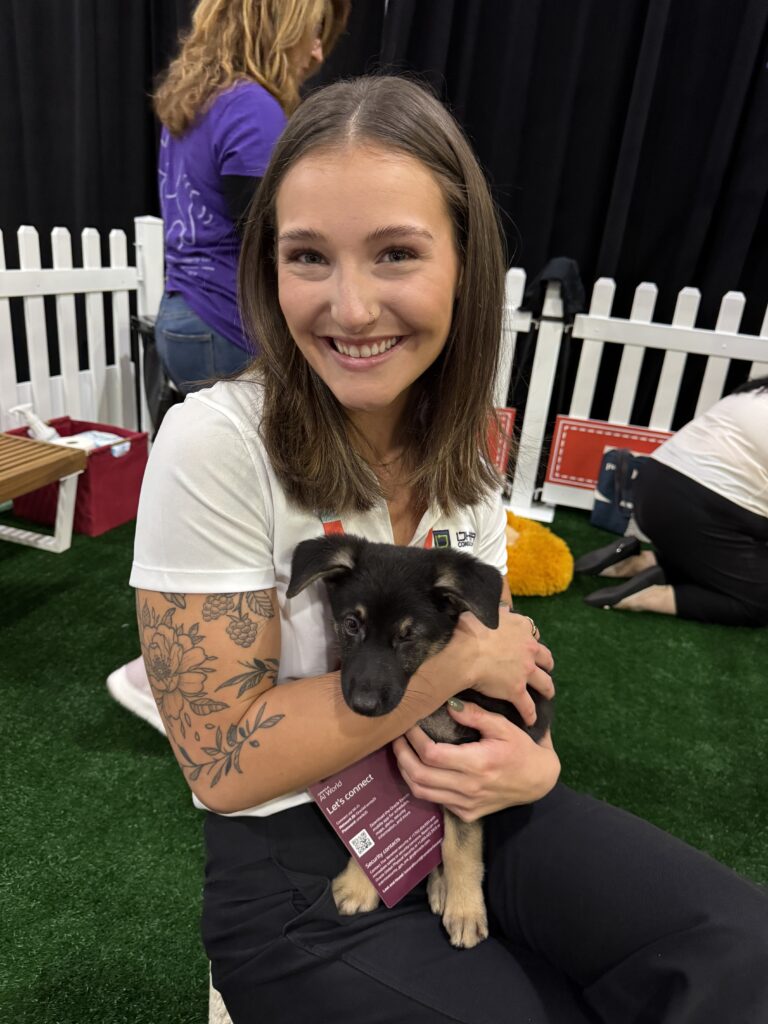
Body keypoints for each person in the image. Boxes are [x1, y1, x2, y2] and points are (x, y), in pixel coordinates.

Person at [129, 77, 768, 1023]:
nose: (350, 307)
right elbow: (223, 762)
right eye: (307, 256)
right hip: (294, 851)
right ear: (268, 268)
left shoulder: (465, 457)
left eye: (395, 253)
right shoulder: (215, 443)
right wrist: (463, 660)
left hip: (468, 798)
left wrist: (536, 762)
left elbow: (511, 675)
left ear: (466, 265)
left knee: (741, 950)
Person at [107, 0, 349, 730]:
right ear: (277, 24)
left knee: (225, 507)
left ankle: (167, 668)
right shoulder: (251, 106)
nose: (317, 52)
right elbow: (271, 240)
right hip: (227, 323)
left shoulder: (197, 100)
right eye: (312, 32)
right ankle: (171, 678)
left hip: (187, 315)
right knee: (265, 516)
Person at [576, 376, 768, 626]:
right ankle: (650, 596)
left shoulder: (758, 392)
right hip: (702, 510)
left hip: (654, 486)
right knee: (758, 604)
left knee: (738, 560)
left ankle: (641, 563)